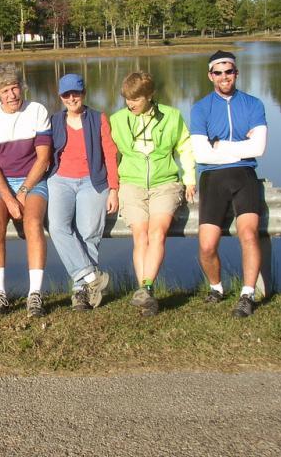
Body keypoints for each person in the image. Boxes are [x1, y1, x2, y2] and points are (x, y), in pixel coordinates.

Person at [110, 72, 196, 316]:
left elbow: (185, 147)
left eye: (136, 99)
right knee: (140, 235)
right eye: (127, 99)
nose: (130, 104)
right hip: (131, 184)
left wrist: (189, 178)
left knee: (157, 232)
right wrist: (112, 187)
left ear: (150, 96)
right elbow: (109, 155)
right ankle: (145, 293)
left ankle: (146, 289)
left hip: (164, 183)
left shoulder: (171, 116)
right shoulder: (117, 120)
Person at [190, 50, 268, 318]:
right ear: (210, 75)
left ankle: (247, 294)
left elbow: (258, 148)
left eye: (229, 71)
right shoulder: (201, 108)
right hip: (212, 177)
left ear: (237, 72)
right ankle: (216, 288)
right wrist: (240, 147)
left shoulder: (253, 104)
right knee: (207, 245)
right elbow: (200, 154)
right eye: (219, 72)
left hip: (244, 175)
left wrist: (220, 145)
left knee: (248, 234)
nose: (225, 77)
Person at [0, 63, 52, 317]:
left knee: (32, 222)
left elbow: (43, 159)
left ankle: (35, 295)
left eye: (15, 88)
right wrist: (9, 197)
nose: (11, 95)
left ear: (22, 88)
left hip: (33, 179)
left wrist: (24, 191)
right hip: (0, 183)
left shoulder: (37, 111)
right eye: (5, 90)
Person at [47, 73, 119, 311]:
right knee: (58, 227)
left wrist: (114, 189)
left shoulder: (98, 118)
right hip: (60, 180)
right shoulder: (54, 120)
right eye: (66, 94)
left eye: (75, 93)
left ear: (83, 93)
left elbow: (110, 153)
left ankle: (79, 292)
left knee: (88, 233)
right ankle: (91, 278)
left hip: (93, 181)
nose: (71, 98)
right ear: (60, 96)